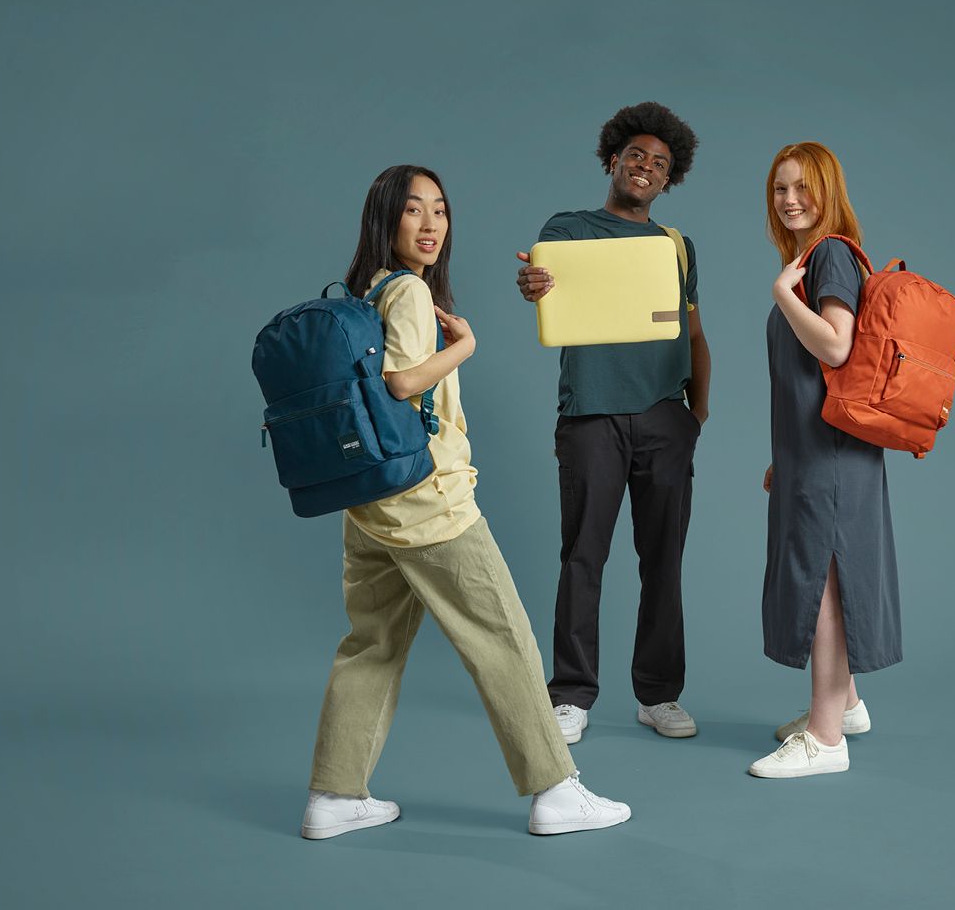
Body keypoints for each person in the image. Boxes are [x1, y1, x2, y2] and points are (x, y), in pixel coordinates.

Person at [303, 165, 630, 839]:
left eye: (441, 212)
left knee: (371, 645)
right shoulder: (411, 295)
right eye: (414, 211)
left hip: (370, 507)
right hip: (431, 505)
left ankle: (334, 796)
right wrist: (466, 348)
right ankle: (554, 790)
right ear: (385, 220)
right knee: (505, 639)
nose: (431, 225)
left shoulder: (367, 290)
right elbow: (399, 385)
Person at [513, 102, 709, 745]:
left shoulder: (677, 246)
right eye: (636, 156)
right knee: (583, 557)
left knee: (664, 562)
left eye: (660, 163)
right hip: (591, 416)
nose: (646, 168)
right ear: (613, 160)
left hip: (664, 417)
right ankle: (570, 696)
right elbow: (546, 287)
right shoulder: (568, 229)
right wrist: (534, 285)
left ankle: (659, 695)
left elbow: (693, 332)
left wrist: (695, 414)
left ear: (668, 178)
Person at [748, 142, 899, 779]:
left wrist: (784, 292)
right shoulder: (813, 259)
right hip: (814, 453)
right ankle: (846, 705)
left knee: (823, 581)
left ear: (828, 191)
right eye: (780, 189)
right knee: (821, 571)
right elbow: (807, 379)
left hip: (832, 456)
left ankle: (826, 738)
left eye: (802, 188)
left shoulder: (830, 254)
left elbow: (835, 348)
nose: (789, 200)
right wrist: (784, 457)